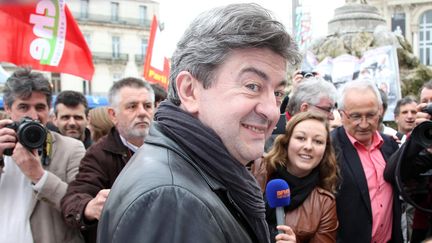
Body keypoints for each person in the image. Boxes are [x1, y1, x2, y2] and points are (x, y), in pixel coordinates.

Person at [97, 3, 301, 243]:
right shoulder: (172, 200)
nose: (271, 111)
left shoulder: (186, 180)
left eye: (277, 93)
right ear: (190, 90)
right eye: (252, 86)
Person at [61, 77, 155, 243]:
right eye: (132, 106)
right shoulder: (99, 154)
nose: (142, 112)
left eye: (147, 106)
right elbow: (73, 198)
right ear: (113, 115)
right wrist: (89, 207)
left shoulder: (171, 147)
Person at [0, 68, 85, 243]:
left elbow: (82, 207)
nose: (33, 115)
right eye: (23, 106)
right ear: (8, 108)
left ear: (49, 109)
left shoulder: (71, 149)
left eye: (40, 107)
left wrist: (39, 176)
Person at [332, 78, 403, 243]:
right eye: (356, 116)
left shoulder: (391, 145)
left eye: (370, 115)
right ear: (342, 114)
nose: (364, 124)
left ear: (380, 112)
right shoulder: (328, 148)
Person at [260, 112, 339, 243]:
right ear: (286, 141)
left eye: (318, 141)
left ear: (325, 149)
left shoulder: (325, 203)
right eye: (301, 138)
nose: (308, 147)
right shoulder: (256, 171)